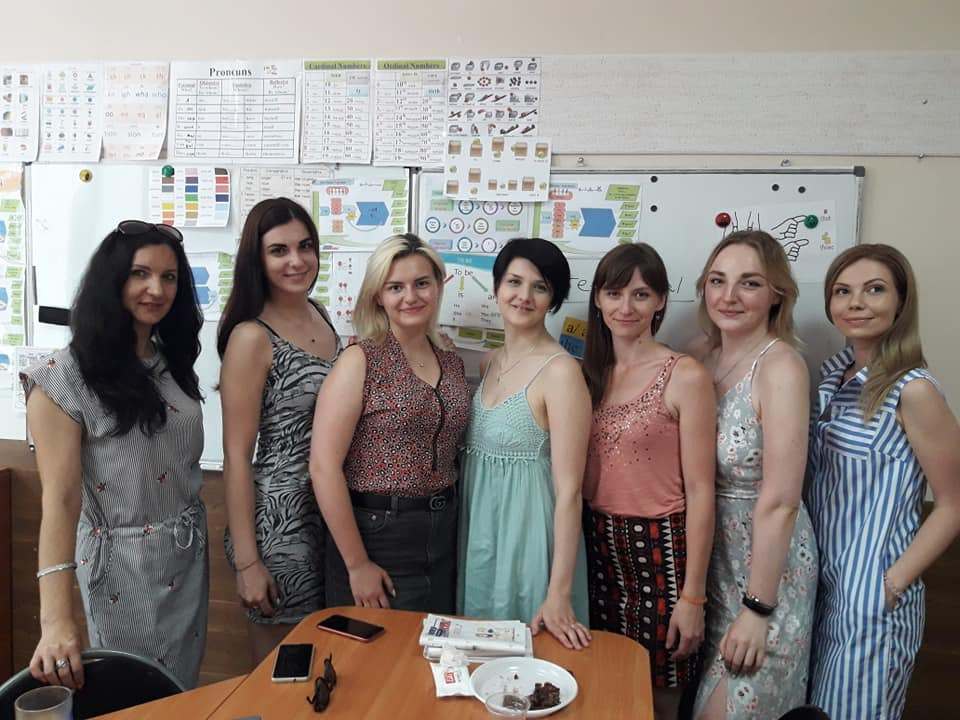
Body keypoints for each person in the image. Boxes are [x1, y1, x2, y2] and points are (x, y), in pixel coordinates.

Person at [21, 220, 207, 689]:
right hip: (123, 571)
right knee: (133, 696)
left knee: (180, 693)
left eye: (168, 277)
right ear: (112, 281)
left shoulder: (170, 361)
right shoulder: (62, 378)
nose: (156, 289)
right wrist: (55, 620)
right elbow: (60, 502)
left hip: (186, 559)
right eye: (140, 274)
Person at [806, 244, 960, 720]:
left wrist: (890, 584)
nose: (856, 303)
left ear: (901, 302)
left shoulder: (913, 390)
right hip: (819, 590)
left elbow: (953, 503)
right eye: (842, 291)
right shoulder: (832, 378)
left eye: (874, 290)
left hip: (870, 603)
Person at [581, 243, 716, 719]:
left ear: (660, 301)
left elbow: (701, 491)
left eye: (640, 294)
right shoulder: (589, 374)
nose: (626, 307)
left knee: (659, 698)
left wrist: (693, 597)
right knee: (605, 690)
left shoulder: (685, 375)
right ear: (597, 299)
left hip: (660, 550)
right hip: (597, 547)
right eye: (614, 293)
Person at [689, 230, 819, 719]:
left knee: (735, 706)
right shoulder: (698, 355)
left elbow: (782, 500)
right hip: (710, 562)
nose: (729, 296)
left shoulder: (781, 366)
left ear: (776, 294)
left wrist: (759, 608)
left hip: (767, 568)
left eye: (749, 283)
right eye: (717, 280)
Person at [310, 233, 470, 612]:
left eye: (421, 283)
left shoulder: (451, 360)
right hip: (377, 534)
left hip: (444, 530)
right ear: (378, 296)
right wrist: (357, 564)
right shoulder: (360, 360)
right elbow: (323, 466)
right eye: (395, 287)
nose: (410, 297)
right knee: (375, 645)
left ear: (438, 286)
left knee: (431, 644)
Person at [217, 198, 341, 665]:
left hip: (329, 515)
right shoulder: (252, 337)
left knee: (328, 668)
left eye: (305, 246)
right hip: (280, 525)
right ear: (257, 259)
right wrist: (248, 562)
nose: (297, 261)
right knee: (283, 674)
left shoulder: (320, 312)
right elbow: (236, 456)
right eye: (279, 250)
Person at [457, 237, 592, 650]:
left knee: (530, 663)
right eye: (514, 282)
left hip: (529, 541)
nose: (524, 296)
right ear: (497, 287)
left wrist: (559, 593)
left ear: (554, 299)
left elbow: (570, 492)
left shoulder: (561, 372)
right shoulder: (489, 361)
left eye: (540, 287)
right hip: (481, 534)